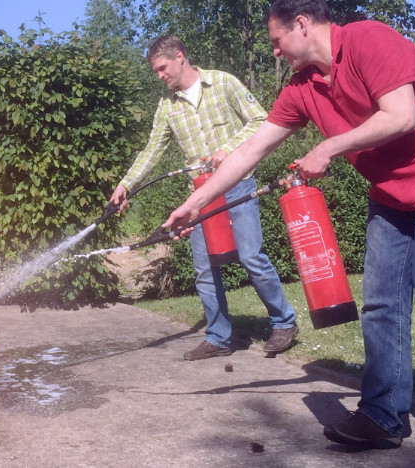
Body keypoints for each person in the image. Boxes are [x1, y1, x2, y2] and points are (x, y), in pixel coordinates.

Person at [162, 0, 415, 449]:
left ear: (302, 23)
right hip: (393, 196)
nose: (275, 51)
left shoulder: (369, 40)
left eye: (278, 40)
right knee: (381, 304)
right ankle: (383, 415)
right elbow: (249, 153)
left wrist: (328, 147)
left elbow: (401, 116)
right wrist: (196, 205)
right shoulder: (302, 89)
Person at [110, 35, 298, 360]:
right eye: (155, 71)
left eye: (162, 68)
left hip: (238, 184)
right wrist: (127, 183)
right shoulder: (167, 107)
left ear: (180, 57)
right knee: (204, 269)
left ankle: (284, 323)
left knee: (251, 256)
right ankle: (218, 338)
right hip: (198, 198)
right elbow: (152, 149)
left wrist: (230, 147)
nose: (159, 76)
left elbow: (261, 120)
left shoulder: (223, 83)